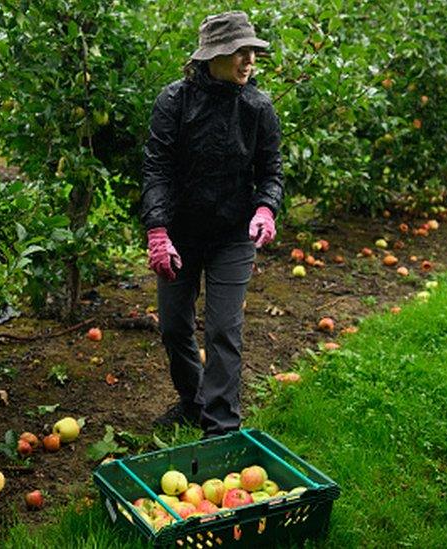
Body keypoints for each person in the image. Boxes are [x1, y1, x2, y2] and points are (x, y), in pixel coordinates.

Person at [140, 11, 283, 439]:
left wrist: (265, 209)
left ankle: (221, 426)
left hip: (231, 237)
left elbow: (271, 171)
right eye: (239, 52)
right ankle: (193, 400)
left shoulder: (257, 107)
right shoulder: (174, 101)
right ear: (212, 56)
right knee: (173, 327)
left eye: (252, 52)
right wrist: (158, 231)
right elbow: (157, 169)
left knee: (223, 329)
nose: (248, 60)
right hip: (181, 233)